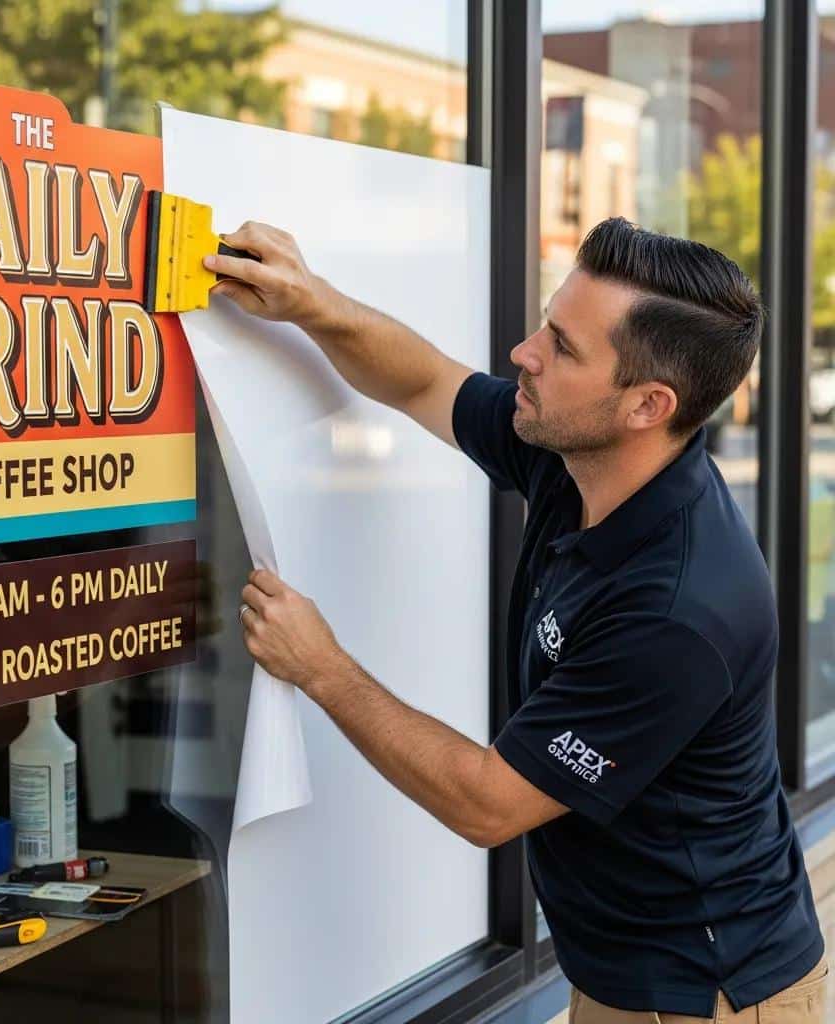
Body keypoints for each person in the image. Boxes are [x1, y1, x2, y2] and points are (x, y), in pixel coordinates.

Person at [203, 217, 827, 1023]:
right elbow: (425, 382)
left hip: (708, 995)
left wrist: (320, 666)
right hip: (623, 972)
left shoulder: (678, 611)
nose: (524, 354)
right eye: (545, 323)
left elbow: (488, 804)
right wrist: (311, 301)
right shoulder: (578, 453)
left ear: (648, 404)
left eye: (563, 346)